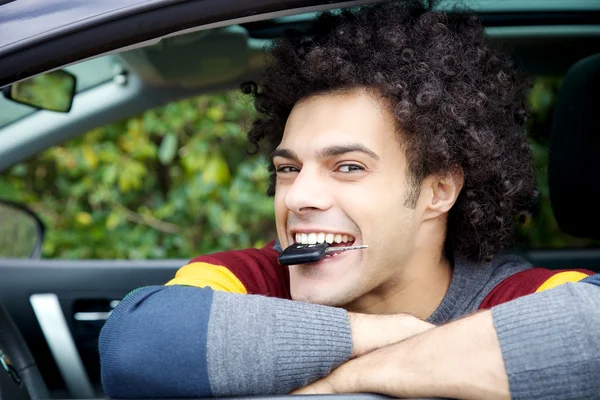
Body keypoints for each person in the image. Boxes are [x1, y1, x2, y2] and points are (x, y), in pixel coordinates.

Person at [99, 1, 600, 399]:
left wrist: (348, 382)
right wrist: (376, 334)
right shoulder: (249, 279)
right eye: (289, 168)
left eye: (349, 167)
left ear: (438, 190)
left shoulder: (520, 298)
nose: (299, 196)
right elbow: (135, 344)